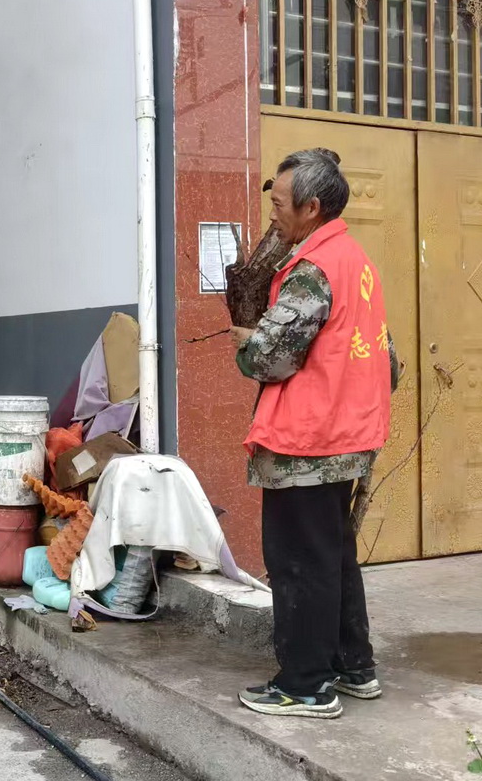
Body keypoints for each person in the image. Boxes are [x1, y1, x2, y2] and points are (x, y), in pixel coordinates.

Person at [231, 148, 399, 719]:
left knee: (300, 560)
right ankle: (354, 667)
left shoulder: (312, 270)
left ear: (312, 207)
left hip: (307, 439)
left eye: (280, 203)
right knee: (333, 554)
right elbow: (389, 360)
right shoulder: (357, 262)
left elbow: (270, 357)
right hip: (347, 433)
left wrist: (246, 344)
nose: (272, 213)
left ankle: (305, 685)